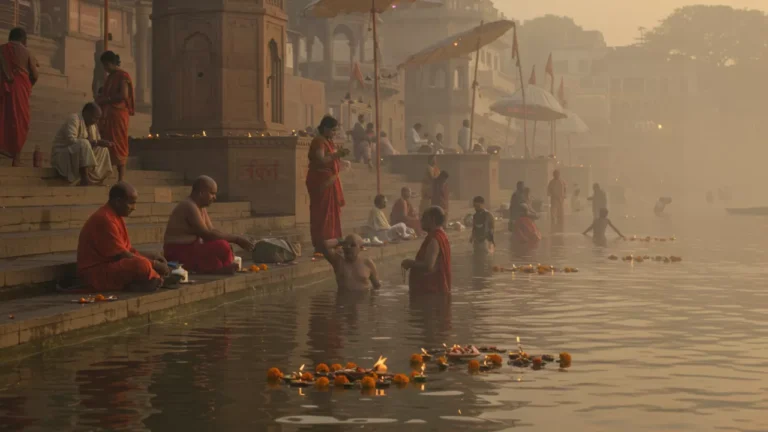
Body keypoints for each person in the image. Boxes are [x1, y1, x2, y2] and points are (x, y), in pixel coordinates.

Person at [76, 183, 170, 292]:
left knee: (150, 259)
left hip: (112, 266)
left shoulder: (115, 216)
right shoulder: (105, 219)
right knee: (142, 265)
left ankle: (148, 280)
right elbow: (122, 256)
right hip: (95, 274)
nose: (134, 208)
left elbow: (128, 250)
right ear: (118, 201)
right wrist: (154, 264)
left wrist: (153, 257)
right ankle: (154, 279)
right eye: (131, 203)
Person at [164, 176, 256, 274]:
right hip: (177, 253)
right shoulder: (188, 206)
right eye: (212, 193)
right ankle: (220, 268)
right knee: (222, 246)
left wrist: (229, 240)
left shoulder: (200, 207)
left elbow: (212, 230)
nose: (214, 197)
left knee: (223, 246)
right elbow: (207, 235)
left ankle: (222, 267)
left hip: (191, 250)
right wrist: (237, 239)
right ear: (201, 193)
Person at [306, 115, 350, 253]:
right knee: (322, 213)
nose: (335, 133)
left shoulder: (328, 141)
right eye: (333, 130)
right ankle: (322, 243)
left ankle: (331, 240)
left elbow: (330, 161)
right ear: (325, 128)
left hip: (329, 180)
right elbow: (320, 160)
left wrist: (341, 161)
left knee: (332, 212)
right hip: (321, 182)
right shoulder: (319, 141)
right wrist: (337, 155)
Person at [0, 28, 39, 166]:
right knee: (19, 121)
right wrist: (27, 86)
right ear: (24, 39)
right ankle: (17, 158)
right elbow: (35, 75)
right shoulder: (27, 52)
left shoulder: (2, 49)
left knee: (3, 118)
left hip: (3, 87)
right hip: (19, 88)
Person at [51, 103, 113, 186]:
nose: (96, 121)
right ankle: (85, 179)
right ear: (86, 113)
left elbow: (96, 141)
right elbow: (71, 140)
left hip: (78, 153)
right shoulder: (74, 119)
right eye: (95, 118)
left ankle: (97, 180)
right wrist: (96, 142)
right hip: (63, 155)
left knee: (103, 149)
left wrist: (101, 143)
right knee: (84, 143)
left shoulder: (93, 125)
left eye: (98, 119)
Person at [96, 51, 135, 182]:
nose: (105, 69)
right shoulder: (111, 77)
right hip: (108, 115)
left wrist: (105, 100)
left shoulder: (122, 76)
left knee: (119, 144)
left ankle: (121, 179)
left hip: (118, 116)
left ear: (111, 63)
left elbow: (123, 95)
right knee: (107, 143)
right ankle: (104, 174)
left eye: (106, 65)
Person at [401, 206, 451, 293]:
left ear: (433, 219)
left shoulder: (435, 239)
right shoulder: (441, 235)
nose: (421, 220)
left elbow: (428, 266)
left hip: (431, 293)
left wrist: (409, 263)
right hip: (433, 292)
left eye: (424, 217)